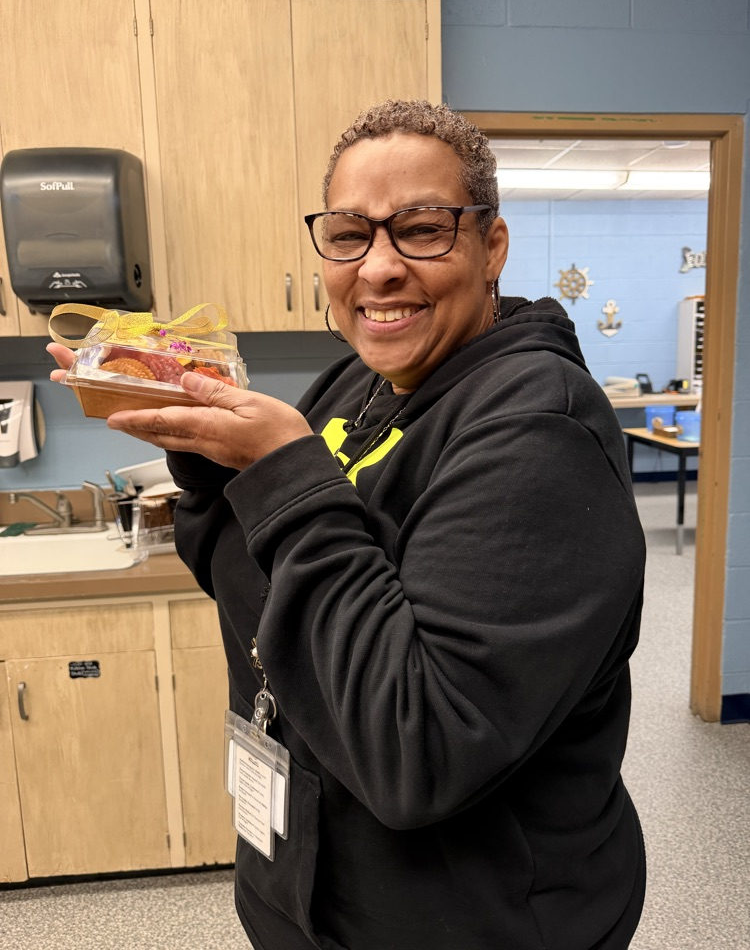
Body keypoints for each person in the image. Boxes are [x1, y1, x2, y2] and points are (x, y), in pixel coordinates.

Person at [49, 100, 647, 950]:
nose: (379, 268)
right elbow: (256, 592)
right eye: (348, 234)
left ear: (492, 247)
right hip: (317, 896)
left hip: (476, 922)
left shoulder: (537, 433)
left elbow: (420, 754)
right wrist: (207, 453)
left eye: (422, 229)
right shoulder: (351, 389)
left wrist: (284, 472)